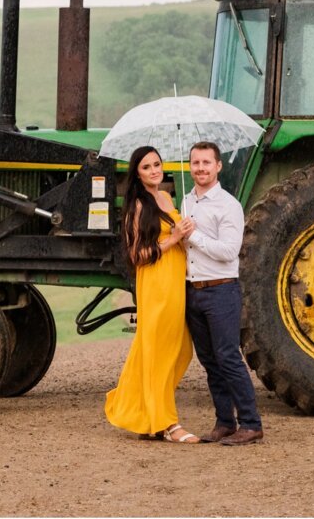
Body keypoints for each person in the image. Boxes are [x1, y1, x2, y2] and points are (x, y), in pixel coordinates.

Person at [105, 145, 200, 444]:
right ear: (137, 173)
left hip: (175, 279)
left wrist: (184, 233)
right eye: (146, 167)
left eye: (157, 164)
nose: (154, 170)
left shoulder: (166, 197)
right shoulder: (137, 206)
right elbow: (136, 255)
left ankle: (146, 410)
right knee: (160, 350)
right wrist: (172, 239)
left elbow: (177, 241)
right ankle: (168, 423)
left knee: (181, 348)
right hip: (156, 282)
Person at [177, 141, 264, 445]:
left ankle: (251, 423)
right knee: (210, 360)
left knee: (228, 357)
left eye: (206, 163)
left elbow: (229, 252)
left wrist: (194, 235)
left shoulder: (229, 205)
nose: (200, 168)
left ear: (218, 166)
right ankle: (224, 421)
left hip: (221, 290)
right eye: (195, 163)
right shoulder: (187, 202)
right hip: (194, 291)